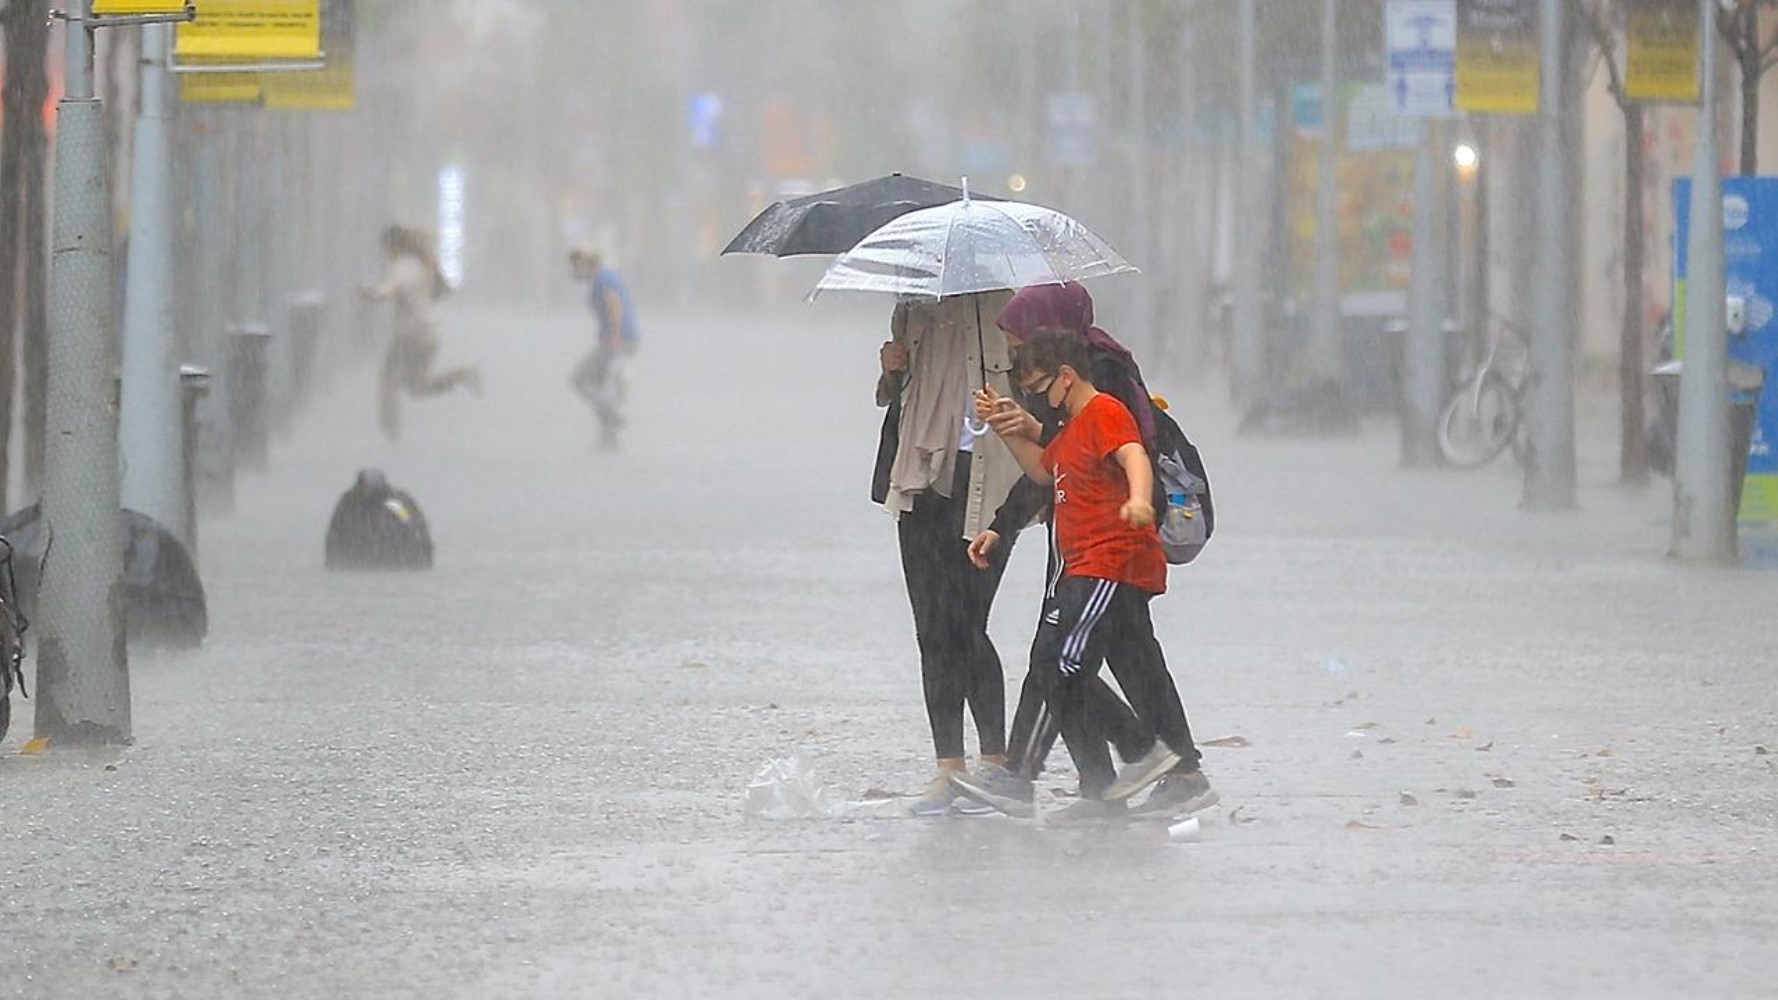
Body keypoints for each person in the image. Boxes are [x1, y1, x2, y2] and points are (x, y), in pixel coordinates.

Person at [954, 283, 1216, 820]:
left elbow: (1126, 452)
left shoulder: (1101, 386)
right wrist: (1014, 439)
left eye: (1022, 351)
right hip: (1088, 546)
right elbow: (1048, 464)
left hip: (1108, 548)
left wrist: (1140, 500)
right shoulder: (1066, 398)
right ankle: (1128, 781)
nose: (1017, 367)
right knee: (1122, 660)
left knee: (1058, 661)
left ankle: (1112, 763)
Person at [875, 291, 1022, 816]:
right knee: (931, 629)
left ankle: (996, 762)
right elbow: (897, 395)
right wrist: (891, 369)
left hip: (989, 480)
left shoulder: (1007, 307)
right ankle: (949, 768)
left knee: (966, 624)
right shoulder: (911, 305)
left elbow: (1038, 393)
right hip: (919, 478)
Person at [361, 225, 479, 442]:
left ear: (393, 246)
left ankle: (391, 432)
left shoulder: (406, 264)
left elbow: (397, 284)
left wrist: (374, 293)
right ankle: (461, 375)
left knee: (388, 379)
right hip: (427, 333)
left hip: (410, 333)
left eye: (385, 247)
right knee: (416, 387)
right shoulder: (423, 263)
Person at [568, 247, 640, 448]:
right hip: (620, 339)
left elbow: (614, 303)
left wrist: (615, 336)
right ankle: (608, 433)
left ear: (585, 263)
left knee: (580, 378)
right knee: (602, 385)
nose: (574, 271)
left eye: (576, 265)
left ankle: (611, 413)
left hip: (615, 341)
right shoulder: (605, 276)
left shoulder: (602, 278)